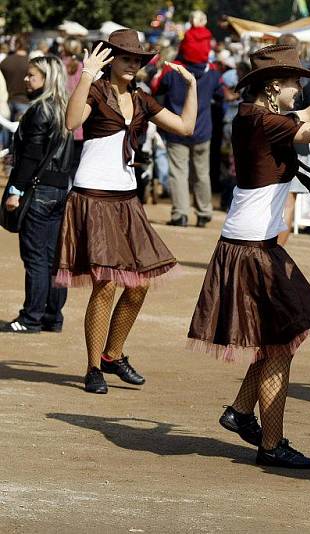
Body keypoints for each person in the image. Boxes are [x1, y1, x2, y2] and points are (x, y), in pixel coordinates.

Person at [187, 44, 310, 468]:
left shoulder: (255, 116)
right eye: (297, 83)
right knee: (279, 344)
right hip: (250, 249)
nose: (301, 90)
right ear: (275, 86)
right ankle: (271, 443)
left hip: (254, 246)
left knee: (281, 339)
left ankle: (241, 411)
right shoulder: (262, 121)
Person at [58, 29, 197, 394]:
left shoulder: (142, 98)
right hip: (93, 196)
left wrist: (193, 87)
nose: (133, 64)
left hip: (127, 200)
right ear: (110, 59)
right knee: (104, 284)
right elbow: (72, 123)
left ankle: (113, 354)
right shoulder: (95, 90)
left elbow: (186, 127)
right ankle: (92, 368)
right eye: (126, 58)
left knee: (139, 285)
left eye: (137, 59)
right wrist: (86, 74)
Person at [0, 55, 74, 334]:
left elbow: (31, 157)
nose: (26, 79)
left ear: (47, 78)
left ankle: (31, 317)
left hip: (38, 190)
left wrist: (15, 191)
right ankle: (52, 317)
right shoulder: (64, 108)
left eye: (32, 75)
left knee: (36, 258)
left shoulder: (41, 110)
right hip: (59, 189)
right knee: (53, 257)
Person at [154, 11, 220, 228]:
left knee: (178, 172)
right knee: (202, 172)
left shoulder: (172, 72)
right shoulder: (212, 73)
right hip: (203, 130)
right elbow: (221, 94)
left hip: (176, 128)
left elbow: (157, 89)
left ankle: (180, 214)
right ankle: (204, 212)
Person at [275, 33, 310, 246]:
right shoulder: (306, 79)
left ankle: (268, 252)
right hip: (299, 146)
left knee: (269, 202)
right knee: (288, 204)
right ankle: (276, 254)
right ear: (299, 50)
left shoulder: (268, 74)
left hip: (270, 143)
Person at [1, 35, 30, 120]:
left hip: (8, 101)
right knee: (22, 132)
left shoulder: (5, 62)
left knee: (6, 131)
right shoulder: (31, 63)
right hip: (25, 101)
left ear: (16, 45)